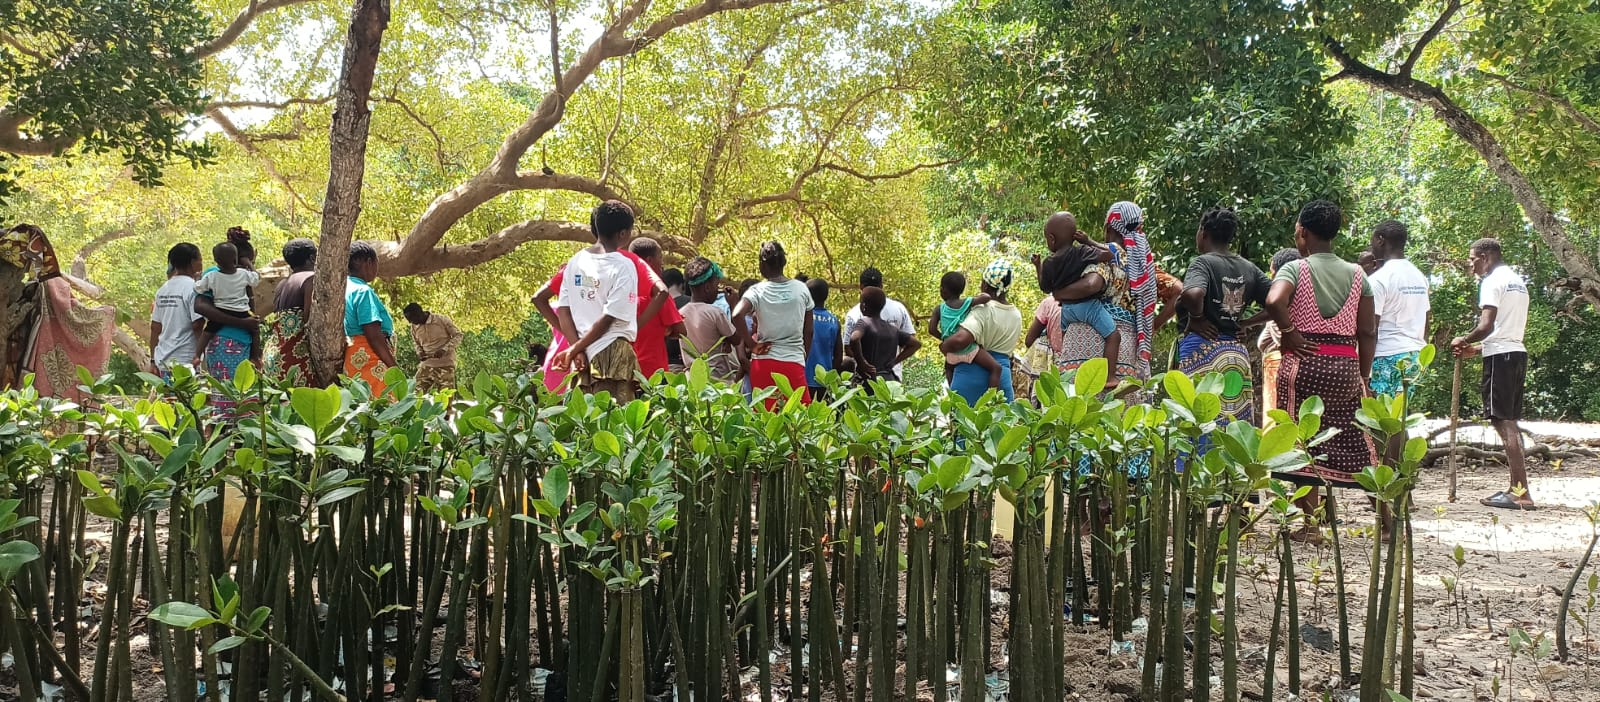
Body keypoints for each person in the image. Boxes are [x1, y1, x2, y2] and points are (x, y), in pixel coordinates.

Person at [1265, 200, 1378, 535]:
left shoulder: (1294, 269)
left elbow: (1274, 301)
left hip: (1304, 364)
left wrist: (1290, 333)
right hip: (1346, 365)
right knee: (1360, 443)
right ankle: (1388, 522)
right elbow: (1368, 331)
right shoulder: (1358, 274)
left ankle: (1312, 526)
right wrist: (1364, 376)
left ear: (1302, 232)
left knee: (1303, 441)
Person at [1452, 238, 1534, 510]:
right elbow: (1504, 331)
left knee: (1503, 421)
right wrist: (1474, 350)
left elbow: (1487, 326)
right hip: (1515, 352)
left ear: (1485, 257)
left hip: (1501, 357)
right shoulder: (1517, 280)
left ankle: (1520, 492)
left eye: (1473, 258)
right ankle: (1518, 488)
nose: (1471, 265)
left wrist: (1463, 340)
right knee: (1509, 420)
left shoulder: (1491, 281)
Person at [1176, 208, 1272, 424]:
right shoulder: (1250, 268)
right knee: (1233, 429)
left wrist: (1198, 318)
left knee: (1199, 427)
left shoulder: (1203, 263)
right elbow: (1279, 302)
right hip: (1236, 355)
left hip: (1201, 352)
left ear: (1203, 232)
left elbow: (1193, 293)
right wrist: (1247, 322)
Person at [554, 201, 642, 400]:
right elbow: (610, 317)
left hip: (582, 358)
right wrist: (574, 350)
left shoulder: (575, 261)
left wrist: (575, 349)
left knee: (584, 424)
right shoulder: (624, 265)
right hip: (613, 353)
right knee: (615, 425)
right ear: (623, 234)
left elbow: (563, 310)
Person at [1034, 211, 1119, 386]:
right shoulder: (1081, 252)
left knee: (1066, 345)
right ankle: (1110, 377)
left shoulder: (1049, 263)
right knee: (1113, 336)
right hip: (1087, 307)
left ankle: (1065, 369)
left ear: (1051, 238)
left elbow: (1045, 287)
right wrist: (1087, 241)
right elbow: (1109, 255)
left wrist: (1038, 267)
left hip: (1066, 312)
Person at [733, 241, 814, 408]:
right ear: (783, 262)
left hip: (763, 363)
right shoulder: (802, 289)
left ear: (762, 265)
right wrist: (803, 355)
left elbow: (737, 314)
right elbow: (809, 331)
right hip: (793, 361)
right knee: (800, 419)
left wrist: (752, 344)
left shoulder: (756, 291)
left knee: (766, 421)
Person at [939, 260, 1023, 406]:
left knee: (965, 425)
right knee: (1002, 426)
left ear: (984, 284)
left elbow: (961, 340)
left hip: (971, 377)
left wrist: (945, 346)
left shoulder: (983, 309)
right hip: (1002, 378)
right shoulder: (1016, 314)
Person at [1367, 221, 1431, 399]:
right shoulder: (1419, 276)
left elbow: (1371, 329)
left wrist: (1364, 371)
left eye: (1372, 240)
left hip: (1387, 357)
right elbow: (1427, 320)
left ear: (1381, 240)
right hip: (1415, 358)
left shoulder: (1379, 279)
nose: (1371, 246)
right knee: (1400, 417)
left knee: (1382, 420)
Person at [192, 241, 261, 369]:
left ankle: (197, 355)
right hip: (241, 312)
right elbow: (256, 279)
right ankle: (255, 357)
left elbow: (198, 288)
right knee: (255, 328)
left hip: (221, 310)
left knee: (207, 332)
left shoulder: (212, 276)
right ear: (235, 259)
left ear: (216, 260)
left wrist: (197, 279)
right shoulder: (243, 273)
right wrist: (250, 265)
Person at [344, 241, 400, 395]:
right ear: (369, 262)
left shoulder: (343, 288)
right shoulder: (362, 291)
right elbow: (373, 334)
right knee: (384, 407)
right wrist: (393, 367)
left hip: (352, 357)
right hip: (370, 356)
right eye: (377, 264)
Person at [627, 238, 686, 379]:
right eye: (660, 258)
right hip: (654, 373)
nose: (663, 264)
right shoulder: (659, 295)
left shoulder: (619, 291)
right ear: (649, 261)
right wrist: (668, 329)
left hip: (625, 371)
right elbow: (681, 331)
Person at [929, 271, 1000, 387]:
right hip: (970, 350)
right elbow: (987, 297)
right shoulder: (967, 302)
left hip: (951, 353)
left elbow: (931, 329)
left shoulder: (939, 309)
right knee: (996, 368)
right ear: (961, 290)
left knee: (948, 369)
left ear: (942, 290)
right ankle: (993, 399)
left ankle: (953, 394)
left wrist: (944, 338)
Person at [680, 256, 745, 384]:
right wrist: (733, 305)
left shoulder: (681, 313)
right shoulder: (715, 313)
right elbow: (737, 339)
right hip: (718, 381)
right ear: (708, 287)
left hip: (692, 379)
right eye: (716, 285)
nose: (718, 289)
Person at [845, 267, 916, 378]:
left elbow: (849, 345)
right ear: (882, 286)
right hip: (891, 377)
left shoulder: (857, 316)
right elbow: (913, 342)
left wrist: (862, 363)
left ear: (861, 287)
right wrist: (894, 361)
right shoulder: (898, 310)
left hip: (865, 376)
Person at [266, 238, 317, 385]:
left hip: (274, 354)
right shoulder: (311, 280)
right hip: (295, 357)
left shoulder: (282, 284)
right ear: (313, 258)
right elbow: (309, 319)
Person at [150, 243, 204, 378]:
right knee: (186, 398)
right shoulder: (193, 288)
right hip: (186, 360)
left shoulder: (162, 290)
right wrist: (200, 353)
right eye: (200, 260)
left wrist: (152, 359)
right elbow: (197, 324)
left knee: (168, 399)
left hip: (163, 359)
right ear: (192, 262)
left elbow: (155, 327)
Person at [1258, 247, 1302, 417]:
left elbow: (1281, 336)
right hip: (1290, 364)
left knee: (1277, 419)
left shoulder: (1280, 297)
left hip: (1281, 365)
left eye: (1272, 272)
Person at [850, 286, 921, 385]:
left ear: (863, 305)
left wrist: (862, 362)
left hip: (868, 380)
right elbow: (916, 344)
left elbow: (854, 338)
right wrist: (894, 362)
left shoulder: (864, 322)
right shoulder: (892, 329)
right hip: (888, 380)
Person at [404, 303, 463, 392]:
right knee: (412, 394)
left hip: (445, 365)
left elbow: (458, 335)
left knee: (445, 399)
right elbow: (416, 343)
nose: (410, 322)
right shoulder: (414, 327)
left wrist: (445, 349)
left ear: (419, 313)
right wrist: (420, 352)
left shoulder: (441, 320)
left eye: (412, 319)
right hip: (426, 365)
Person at [804, 277, 843, 398]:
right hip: (824, 380)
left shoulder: (803, 318)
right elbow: (838, 355)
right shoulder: (834, 321)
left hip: (803, 377)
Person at [663, 268, 690, 373]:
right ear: (682, 285)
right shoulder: (690, 303)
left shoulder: (657, 304)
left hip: (662, 363)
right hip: (684, 363)